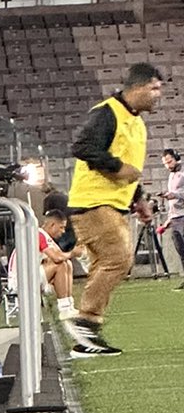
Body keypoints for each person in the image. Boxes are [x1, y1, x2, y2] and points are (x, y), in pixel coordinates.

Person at [65, 61, 165, 356]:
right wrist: (118, 167)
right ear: (136, 87)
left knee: (109, 262)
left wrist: (139, 200)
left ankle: (85, 341)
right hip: (93, 201)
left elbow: (131, 170)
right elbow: (82, 147)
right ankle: (86, 322)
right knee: (119, 259)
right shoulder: (107, 112)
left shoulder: (137, 123)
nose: (159, 94)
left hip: (113, 203)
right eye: (154, 88)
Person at [157, 149, 184, 281]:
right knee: (181, 251)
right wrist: (168, 220)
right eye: (165, 163)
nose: (168, 165)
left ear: (177, 158)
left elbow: (178, 195)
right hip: (175, 218)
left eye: (170, 161)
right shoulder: (171, 176)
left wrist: (175, 195)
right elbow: (173, 202)